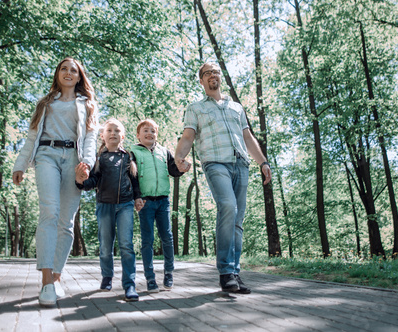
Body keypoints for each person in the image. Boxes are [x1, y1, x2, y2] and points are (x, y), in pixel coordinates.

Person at [175, 62, 272, 293]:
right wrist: (179, 158)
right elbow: (188, 136)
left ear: (221, 77)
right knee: (227, 206)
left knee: (238, 219)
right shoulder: (195, 108)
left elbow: (247, 138)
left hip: (241, 163)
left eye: (215, 72)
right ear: (201, 81)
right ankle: (225, 271)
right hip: (215, 163)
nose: (212, 76)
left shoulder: (236, 107)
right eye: (207, 73)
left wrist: (263, 162)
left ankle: (235, 274)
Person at [12, 57, 99, 306]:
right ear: (58, 74)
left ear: (80, 77)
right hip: (46, 155)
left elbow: (91, 138)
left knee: (67, 221)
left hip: (74, 159)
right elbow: (31, 137)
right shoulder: (45, 103)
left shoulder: (88, 104)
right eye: (64, 69)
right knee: (49, 211)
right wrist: (20, 165)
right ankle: (47, 281)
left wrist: (87, 165)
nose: (68, 73)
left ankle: (58, 277)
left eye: (74, 70)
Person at [75, 118, 144, 302]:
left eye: (117, 130)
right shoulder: (99, 160)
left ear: (122, 136)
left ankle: (129, 285)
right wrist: (81, 181)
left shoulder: (128, 157)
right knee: (105, 245)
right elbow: (93, 181)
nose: (113, 133)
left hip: (125, 205)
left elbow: (135, 180)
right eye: (109, 130)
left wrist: (138, 197)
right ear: (102, 136)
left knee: (126, 245)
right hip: (104, 205)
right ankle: (107, 276)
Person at [131, 119, 187, 293]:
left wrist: (182, 168)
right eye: (145, 131)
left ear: (157, 135)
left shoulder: (164, 151)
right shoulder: (132, 152)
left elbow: (173, 171)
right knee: (147, 241)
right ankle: (150, 278)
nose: (150, 134)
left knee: (167, 238)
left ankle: (169, 273)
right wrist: (136, 197)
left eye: (153, 131)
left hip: (163, 201)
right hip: (145, 202)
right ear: (138, 135)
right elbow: (131, 177)